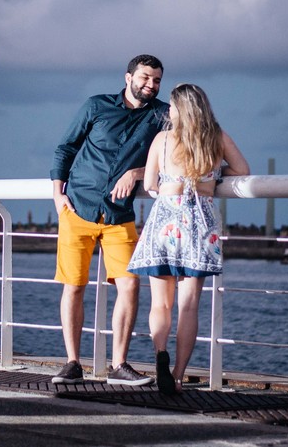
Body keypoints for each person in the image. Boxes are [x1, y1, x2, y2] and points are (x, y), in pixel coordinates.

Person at [49, 54, 169, 386]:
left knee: (129, 284)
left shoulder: (162, 115)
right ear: (128, 76)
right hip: (78, 208)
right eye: (145, 77)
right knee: (74, 286)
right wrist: (58, 194)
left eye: (157, 80)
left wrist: (138, 172)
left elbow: (175, 157)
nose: (151, 85)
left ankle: (120, 365)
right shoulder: (96, 105)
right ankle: (73, 362)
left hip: (119, 214)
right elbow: (66, 149)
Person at [128, 83, 249, 394]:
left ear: (178, 109)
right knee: (190, 306)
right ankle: (179, 377)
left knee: (160, 304)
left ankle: (160, 358)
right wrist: (213, 175)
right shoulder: (217, 138)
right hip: (201, 223)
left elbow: (152, 182)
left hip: (165, 221)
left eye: (171, 105)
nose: (167, 110)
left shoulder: (163, 139)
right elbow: (243, 169)